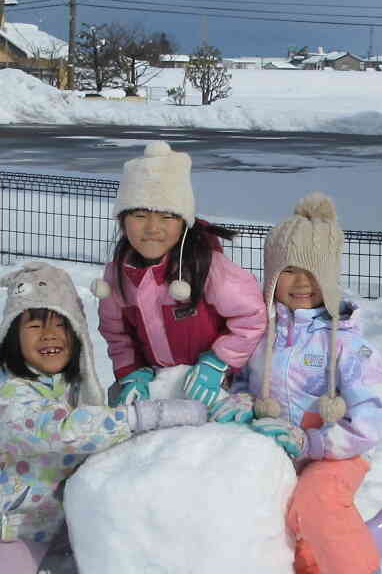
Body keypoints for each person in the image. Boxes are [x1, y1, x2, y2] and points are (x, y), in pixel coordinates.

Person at [0, 261, 209, 574]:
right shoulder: (7, 394)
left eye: (61, 325)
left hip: (50, 521)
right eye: (34, 326)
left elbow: (94, 429)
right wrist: (142, 416)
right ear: (11, 337)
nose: (49, 334)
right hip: (4, 527)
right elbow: (59, 430)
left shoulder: (70, 386)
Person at [243, 192, 382, 574]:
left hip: (338, 451)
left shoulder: (344, 344)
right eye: (289, 271)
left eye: (313, 272)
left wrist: (321, 442)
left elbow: (378, 407)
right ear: (271, 277)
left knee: (317, 499)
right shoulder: (260, 339)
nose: (302, 282)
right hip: (289, 454)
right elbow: (241, 387)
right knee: (308, 570)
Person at [92, 140, 266, 411]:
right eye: (139, 215)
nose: (152, 228)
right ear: (122, 221)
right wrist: (131, 372)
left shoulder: (206, 267)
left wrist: (219, 361)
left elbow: (251, 315)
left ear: (184, 223)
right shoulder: (117, 277)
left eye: (166, 217)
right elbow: (117, 335)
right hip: (158, 385)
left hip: (216, 386)